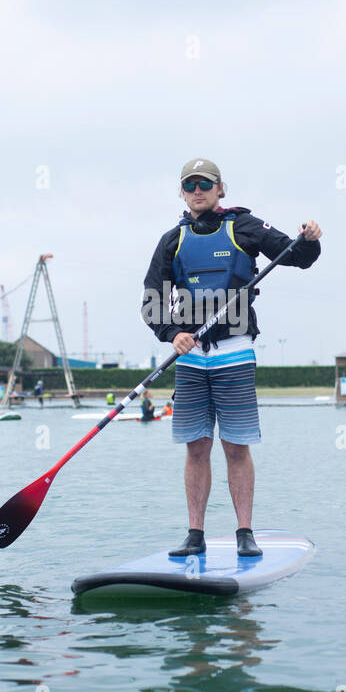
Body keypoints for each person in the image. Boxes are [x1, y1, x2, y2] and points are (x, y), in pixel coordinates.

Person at [142, 157, 321, 558]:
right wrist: (173, 334)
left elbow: (298, 257)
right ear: (182, 194)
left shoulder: (243, 227)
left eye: (205, 183)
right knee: (196, 446)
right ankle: (194, 535)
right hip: (190, 358)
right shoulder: (172, 240)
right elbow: (152, 301)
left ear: (221, 188)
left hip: (235, 352)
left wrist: (309, 238)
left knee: (236, 446)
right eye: (190, 185)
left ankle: (244, 532)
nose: (198, 190)